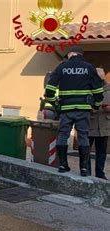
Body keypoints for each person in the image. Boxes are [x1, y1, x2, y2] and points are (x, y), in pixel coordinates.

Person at [45, 46, 105, 176]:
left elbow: (49, 89)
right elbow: (98, 91)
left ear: (71, 54)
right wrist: (96, 105)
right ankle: (84, 169)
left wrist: (55, 104)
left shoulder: (62, 67)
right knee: (83, 136)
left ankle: (62, 165)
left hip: (66, 109)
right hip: (83, 110)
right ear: (81, 54)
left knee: (63, 135)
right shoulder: (89, 67)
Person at [87, 67, 110, 180]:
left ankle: (100, 173)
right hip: (89, 124)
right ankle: (86, 172)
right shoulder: (87, 88)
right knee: (86, 150)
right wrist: (93, 108)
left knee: (101, 152)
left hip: (104, 125)